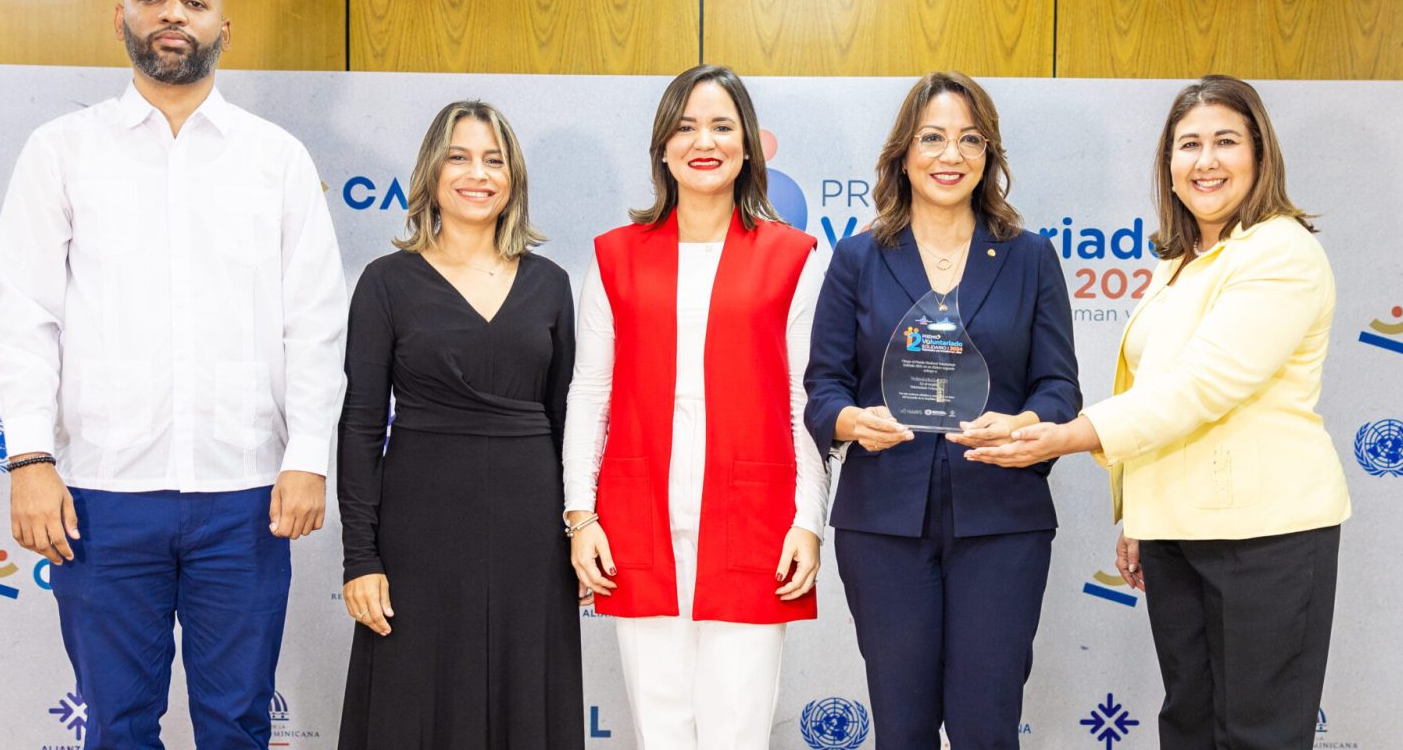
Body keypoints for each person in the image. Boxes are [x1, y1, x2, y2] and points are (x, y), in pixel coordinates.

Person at [0, 0, 347, 747]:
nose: (172, 14)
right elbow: (26, 317)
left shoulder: (275, 159)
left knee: (238, 723)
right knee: (116, 726)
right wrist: (28, 459)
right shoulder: (62, 151)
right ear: (121, 18)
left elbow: (314, 322)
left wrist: (309, 453)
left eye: (193, 0)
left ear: (223, 25)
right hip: (103, 499)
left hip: (247, 497)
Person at [969, 74, 1350, 750]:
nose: (1205, 161)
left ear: (1260, 155)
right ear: (1168, 167)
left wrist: (1064, 436)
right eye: (1188, 145)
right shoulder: (1184, 262)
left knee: (1257, 735)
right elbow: (1159, 390)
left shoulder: (1282, 252)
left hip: (1264, 537)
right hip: (1181, 530)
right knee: (1188, 726)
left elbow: (1202, 387)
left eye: (1225, 142)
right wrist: (1144, 516)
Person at [803, 70, 1080, 749]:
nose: (949, 155)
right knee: (902, 726)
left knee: (987, 726)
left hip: (1002, 520)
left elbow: (1059, 389)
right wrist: (849, 423)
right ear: (904, 151)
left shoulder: (1030, 257)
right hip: (884, 524)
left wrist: (1024, 423)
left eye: (969, 139)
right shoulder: (858, 258)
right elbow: (823, 390)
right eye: (932, 137)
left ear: (989, 156)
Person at [561, 64, 826, 750]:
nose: (702, 141)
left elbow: (806, 397)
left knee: (737, 728)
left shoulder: (792, 257)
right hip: (637, 518)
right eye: (684, 127)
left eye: (720, 125)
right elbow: (590, 391)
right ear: (661, 146)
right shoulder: (616, 257)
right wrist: (580, 515)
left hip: (755, 519)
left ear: (748, 145)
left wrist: (809, 520)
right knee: (662, 729)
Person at [333, 100, 583, 748]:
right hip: (418, 535)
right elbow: (361, 425)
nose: (479, 173)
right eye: (460, 156)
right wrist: (360, 556)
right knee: (414, 701)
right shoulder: (385, 283)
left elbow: (569, 422)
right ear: (432, 174)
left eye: (494, 159)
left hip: (533, 537)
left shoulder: (551, 285)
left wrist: (581, 530)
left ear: (513, 178)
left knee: (526, 700)